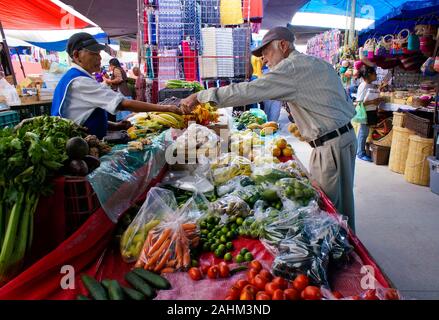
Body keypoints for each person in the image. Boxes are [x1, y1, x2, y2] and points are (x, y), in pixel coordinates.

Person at [181, 27, 358, 231]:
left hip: (332, 145)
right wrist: (311, 123)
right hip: (340, 138)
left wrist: (201, 96)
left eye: (266, 52)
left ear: (283, 46)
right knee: (341, 204)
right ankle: (347, 245)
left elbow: (249, 91)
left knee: (329, 211)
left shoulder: (291, 67)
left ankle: (342, 253)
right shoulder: (314, 63)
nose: (264, 59)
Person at [51, 32, 180, 139]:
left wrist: (115, 125)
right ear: (76, 55)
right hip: (79, 148)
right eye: (93, 53)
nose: (99, 58)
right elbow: (123, 104)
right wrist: (166, 108)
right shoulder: (79, 81)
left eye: (99, 53)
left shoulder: (74, 77)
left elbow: (81, 117)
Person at [355, 65, 384, 161]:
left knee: (364, 132)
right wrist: (373, 102)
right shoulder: (363, 86)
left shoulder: (370, 85)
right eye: (374, 74)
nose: (376, 75)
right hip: (365, 112)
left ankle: (359, 151)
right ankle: (360, 153)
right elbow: (359, 102)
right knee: (363, 132)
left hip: (370, 110)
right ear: (369, 75)